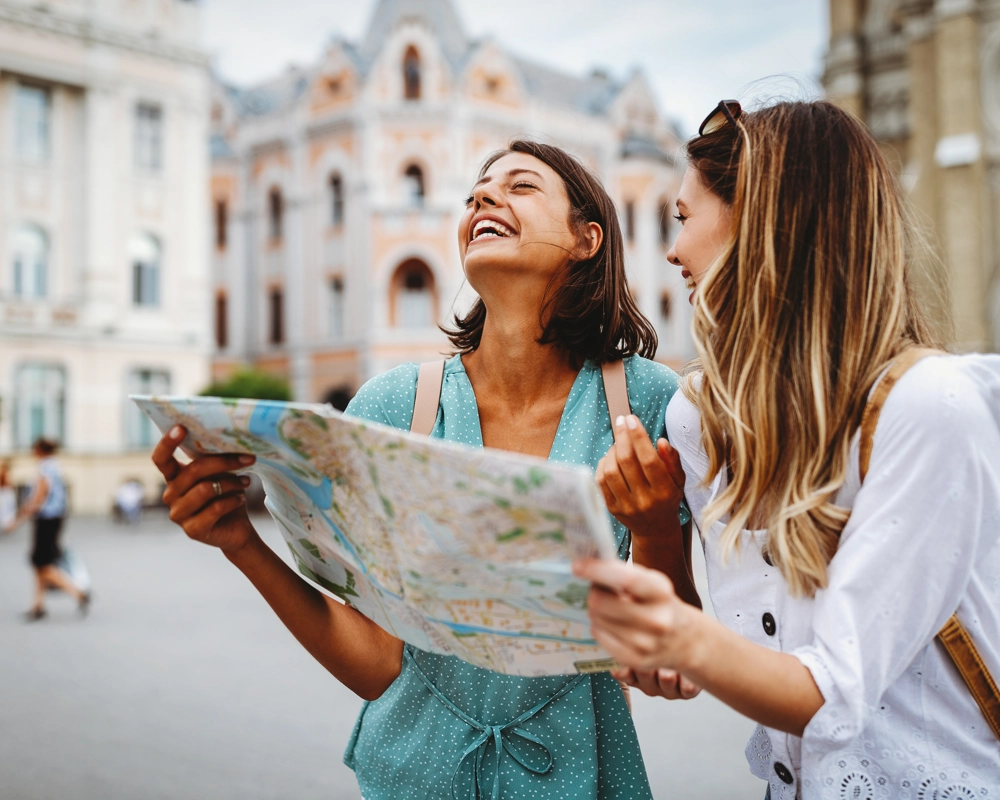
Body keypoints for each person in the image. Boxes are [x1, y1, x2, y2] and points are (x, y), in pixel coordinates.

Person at [151, 140, 696, 799]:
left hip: (582, 780)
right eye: (476, 193)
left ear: (588, 238)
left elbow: (670, 657)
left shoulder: (646, 402)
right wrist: (242, 542)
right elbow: (378, 665)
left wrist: (660, 531)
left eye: (520, 186)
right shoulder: (392, 405)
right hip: (410, 779)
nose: (483, 199)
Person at [574, 100, 1000, 799]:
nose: (673, 250)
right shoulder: (698, 418)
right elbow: (693, 670)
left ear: (765, 221)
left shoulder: (929, 408)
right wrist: (652, 538)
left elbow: (829, 691)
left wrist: (671, 632)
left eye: (684, 218)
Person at [5, 438, 91, 620]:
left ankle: (79, 593)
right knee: (39, 564)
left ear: (39, 450)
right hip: (54, 519)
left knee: (43, 564)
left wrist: (17, 520)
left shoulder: (45, 468)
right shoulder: (55, 465)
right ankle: (38, 605)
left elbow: (37, 498)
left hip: (46, 521)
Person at [0, 460, 17, 531]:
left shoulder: (7, 475)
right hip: (4, 493)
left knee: (8, 508)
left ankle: (9, 523)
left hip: (6, 493)